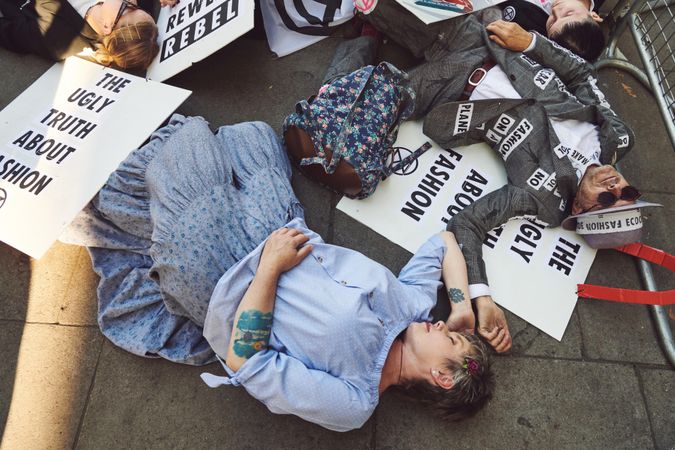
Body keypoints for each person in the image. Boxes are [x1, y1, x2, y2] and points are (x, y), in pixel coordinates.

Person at [61, 114, 495, 431]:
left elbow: (245, 361)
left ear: (441, 375)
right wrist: (464, 309)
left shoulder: (353, 401)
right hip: (280, 223)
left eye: (451, 339)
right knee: (252, 134)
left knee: (189, 140)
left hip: (224, 270)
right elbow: (444, 244)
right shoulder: (415, 306)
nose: (441, 325)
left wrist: (269, 269)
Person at [296, 0, 650, 352]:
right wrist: (529, 42)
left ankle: (365, 41)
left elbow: (468, 224)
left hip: (449, 88)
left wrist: (481, 298)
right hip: (487, 38)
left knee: (344, 112)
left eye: (607, 201)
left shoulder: (543, 198)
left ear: (578, 208)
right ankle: (372, 25)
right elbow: (583, 74)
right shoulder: (617, 138)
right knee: (369, 4)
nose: (614, 185)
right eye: (627, 191)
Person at [0, 0, 174, 70]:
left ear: (108, 27)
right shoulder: (135, 10)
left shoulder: (57, 39)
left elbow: (6, 32)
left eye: (128, 5)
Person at [490, 0, 605, 61]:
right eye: (568, 13)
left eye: (552, 21)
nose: (555, 9)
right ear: (594, 16)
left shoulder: (530, 22)